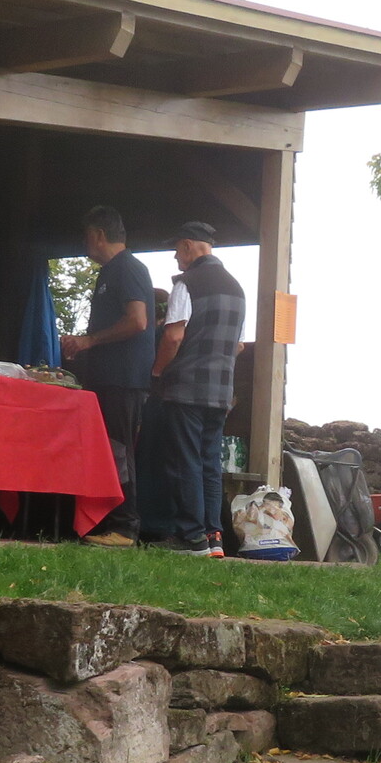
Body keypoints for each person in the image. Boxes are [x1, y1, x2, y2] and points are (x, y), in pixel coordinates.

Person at [141, 221, 245, 555]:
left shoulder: (187, 283)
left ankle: (190, 537)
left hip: (186, 388)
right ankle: (214, 538)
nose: (176, 258)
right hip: (220, 392)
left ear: (188, 246)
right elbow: (238, 345)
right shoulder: (237, 289)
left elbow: (173, 336)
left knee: (185, 460)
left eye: (176, 250)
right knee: (209, 464)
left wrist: (157, 372)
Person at [60, 206, 154, 547]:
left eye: (87, 235)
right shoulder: (110, 272)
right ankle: (105, 521)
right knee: (107, 451)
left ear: (99, 235)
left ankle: (125, 527)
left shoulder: (128, 267)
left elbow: (138, 321)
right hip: (106, 377)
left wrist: (90, 340)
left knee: (119, 451)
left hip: (123, 379)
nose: (85, 242)